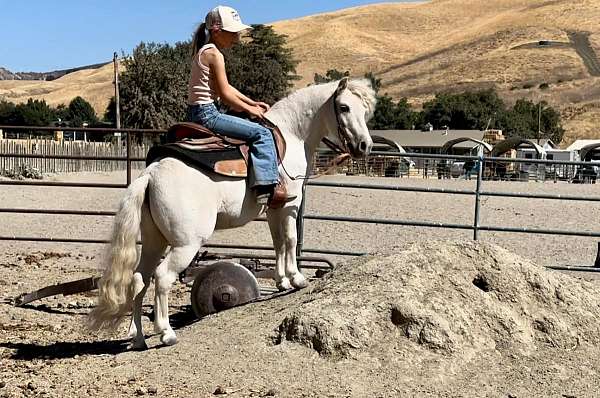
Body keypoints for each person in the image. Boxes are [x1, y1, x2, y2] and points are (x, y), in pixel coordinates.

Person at [187, 6, 279, 205]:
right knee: (262, 133)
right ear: (217, 31)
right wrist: (252, 110)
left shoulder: (206, 51)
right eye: (233, 31)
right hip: (208, 114)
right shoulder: (214, 54)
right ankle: (265, 187)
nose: (237, 35)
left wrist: (251, 102)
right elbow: (225, 94)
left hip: (197, 112)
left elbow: (227, 87)